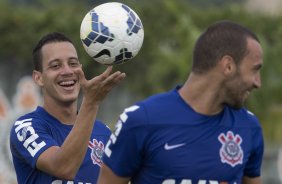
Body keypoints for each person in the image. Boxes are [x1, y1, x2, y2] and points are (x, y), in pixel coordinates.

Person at [98, 20, 264, 184]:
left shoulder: (248, 127)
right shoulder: (142, 120)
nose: (257, 82)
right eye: (255, 70)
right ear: (228, 66)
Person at [9, 32, 126, 184]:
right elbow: (63, 168)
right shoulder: (26, 127)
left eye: (73, 63)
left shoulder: (102, 132)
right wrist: (90, 102)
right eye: (56, 66)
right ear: (39, 78)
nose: (67, 71)